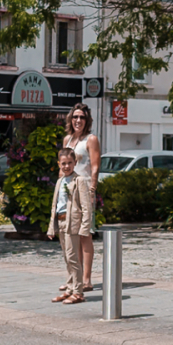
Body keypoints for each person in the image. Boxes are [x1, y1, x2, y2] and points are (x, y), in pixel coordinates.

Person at [59, 103, 100, 292]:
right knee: (69, 235)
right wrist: (59, 188)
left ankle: (86, 279)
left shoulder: (91, 139)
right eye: (75, 117)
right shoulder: (67, 139)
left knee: (85, 235)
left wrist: (92, 189)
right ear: (70, 119)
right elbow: (63, 166)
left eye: (82, 117)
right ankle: (73, 278)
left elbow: (95, 166)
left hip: (83, 190)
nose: (78, 120)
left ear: (87, 120)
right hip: (68, 191)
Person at [46, 147, 89, 304]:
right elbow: (55, 205)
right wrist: (51, 227)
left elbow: (86, 206)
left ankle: (78, 292)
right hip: (61, 221)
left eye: (69, 163)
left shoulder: (79, 181)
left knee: (73, 257)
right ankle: (70, 288)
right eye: (63, 163)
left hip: (73, 222)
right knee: (67, 257)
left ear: (75, 163)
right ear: (59, 164)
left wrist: (84, 227)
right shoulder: (60, 181)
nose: (66, 166)